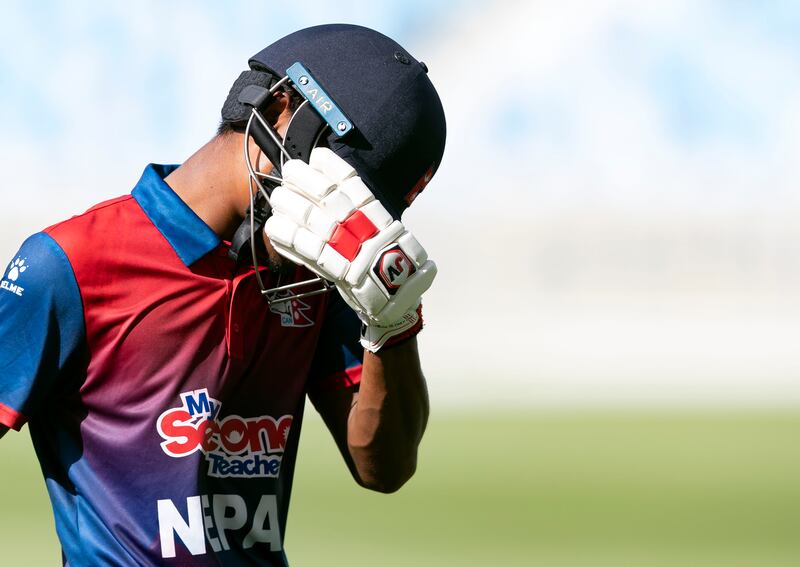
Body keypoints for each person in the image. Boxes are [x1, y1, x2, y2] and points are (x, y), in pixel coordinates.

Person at [0, 24, 446, 565]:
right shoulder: (68, 264)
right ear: (281, 112)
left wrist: (394, 325)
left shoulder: (316, 276)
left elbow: (384, 467)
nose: (345, 223)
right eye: (344, 188)